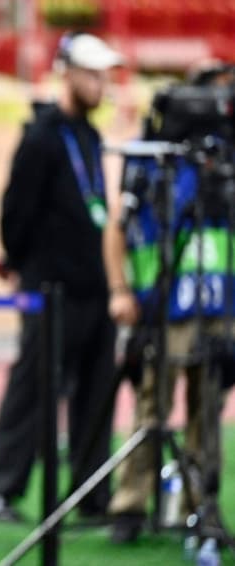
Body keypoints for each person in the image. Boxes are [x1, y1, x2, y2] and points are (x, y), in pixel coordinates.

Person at [0, 32, 122, 522]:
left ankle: (92, 495)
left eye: (104, 75)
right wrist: (23, 265)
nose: (102, 84)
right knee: (33, 390)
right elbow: (15, 212)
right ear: (68, 74)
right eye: (93, 75)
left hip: (96, 288)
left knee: (96, 396)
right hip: (51, 290)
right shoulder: (42, 136)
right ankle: (3, 492)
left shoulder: (91, 135)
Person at [104, 64, 235, 543]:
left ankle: (200, 506)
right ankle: (130, 506)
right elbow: (117, 227)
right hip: (162, 305)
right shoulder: (153, 158)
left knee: (207, 412)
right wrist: (120, 289)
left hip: (218, 306)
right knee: (151, 408)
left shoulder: (224, 160)